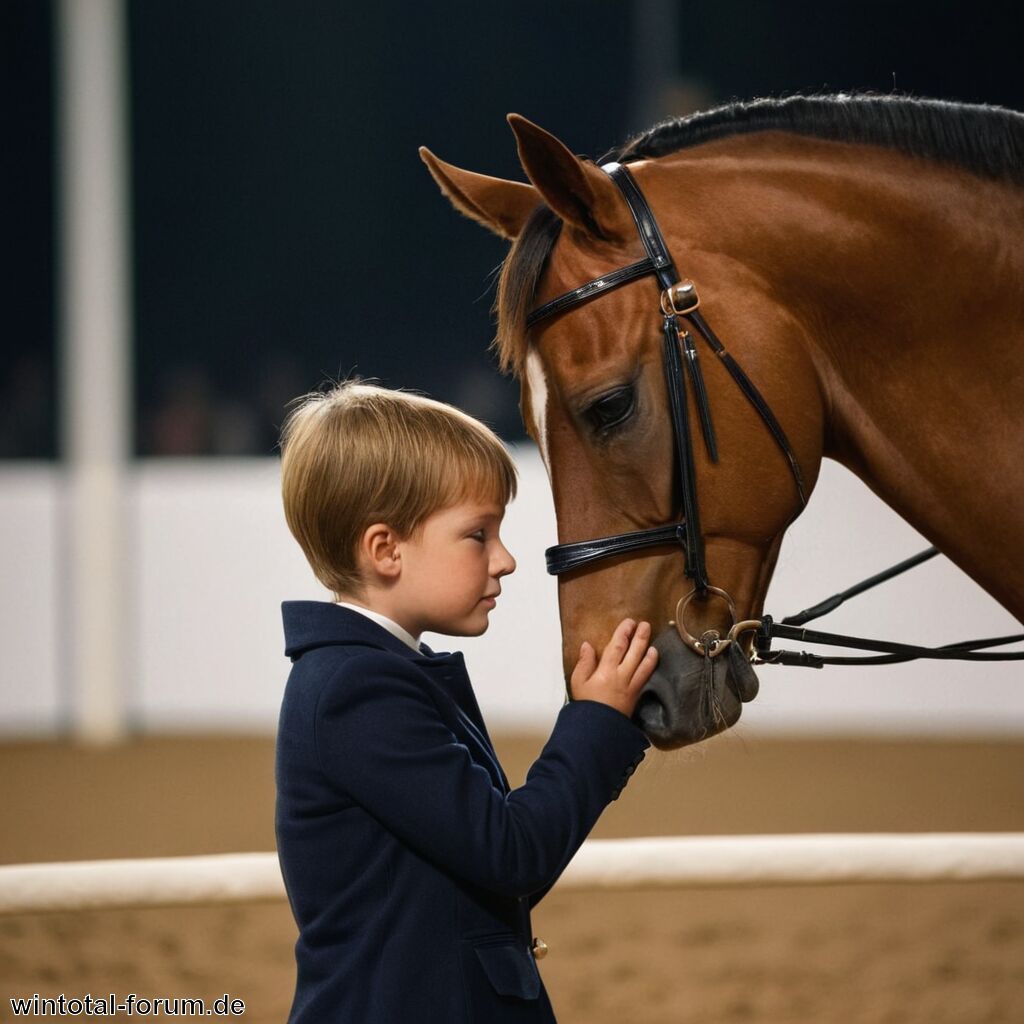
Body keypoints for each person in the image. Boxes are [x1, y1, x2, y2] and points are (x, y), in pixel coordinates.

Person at [276, 380, 658, 1023]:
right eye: (479, 534)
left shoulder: (380, 673)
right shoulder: (357, 690)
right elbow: (512, 854)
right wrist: (596, 722)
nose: (506, 560)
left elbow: (501, 878)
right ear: (385, 550)